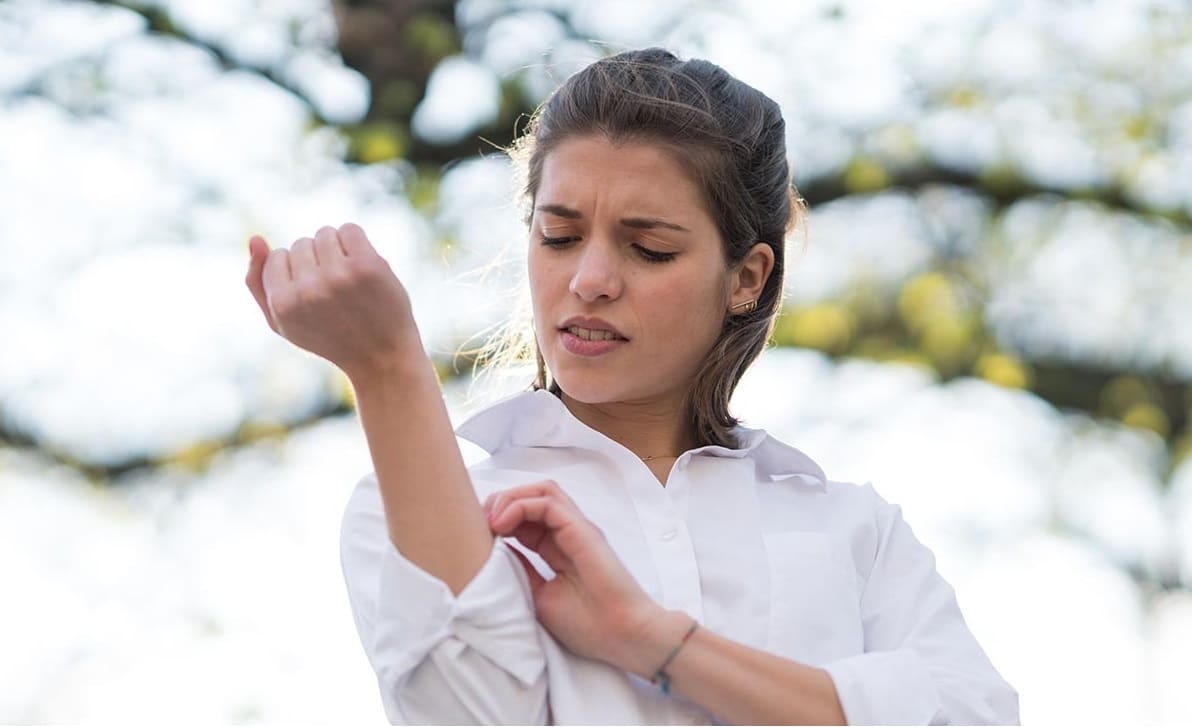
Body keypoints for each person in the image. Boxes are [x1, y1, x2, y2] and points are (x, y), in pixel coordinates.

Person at [244, 48, 1019, 725]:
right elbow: (468, 713)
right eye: (560, 236)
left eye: (648, 248)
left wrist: (653, 640)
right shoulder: (416, 508)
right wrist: (387, 369)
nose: (589, 280)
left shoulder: (854, 530)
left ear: (747, 278)